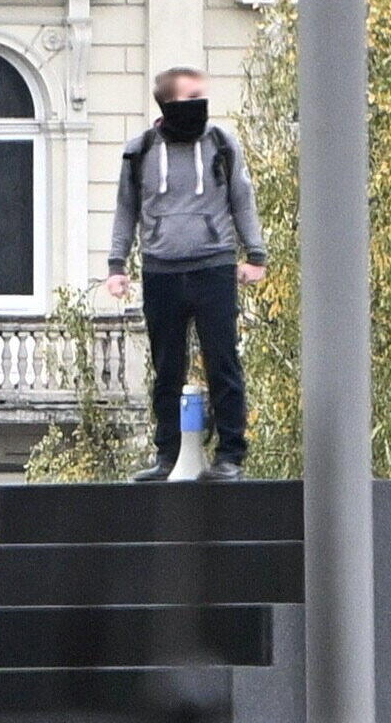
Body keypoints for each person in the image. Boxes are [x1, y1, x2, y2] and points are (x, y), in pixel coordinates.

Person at [106, 66, 267, 482]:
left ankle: (230, 454)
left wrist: (256, 255)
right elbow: (126, 209)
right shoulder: (139, 151)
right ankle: (167, 456)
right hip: (161, 271)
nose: (199, 105)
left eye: (202, 96)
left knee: (223, 363)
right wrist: (116, 266)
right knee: (166, 369)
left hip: (213, 266)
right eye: (189, 97)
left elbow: (242, 200)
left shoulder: (221, 145)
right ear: (166, 104)